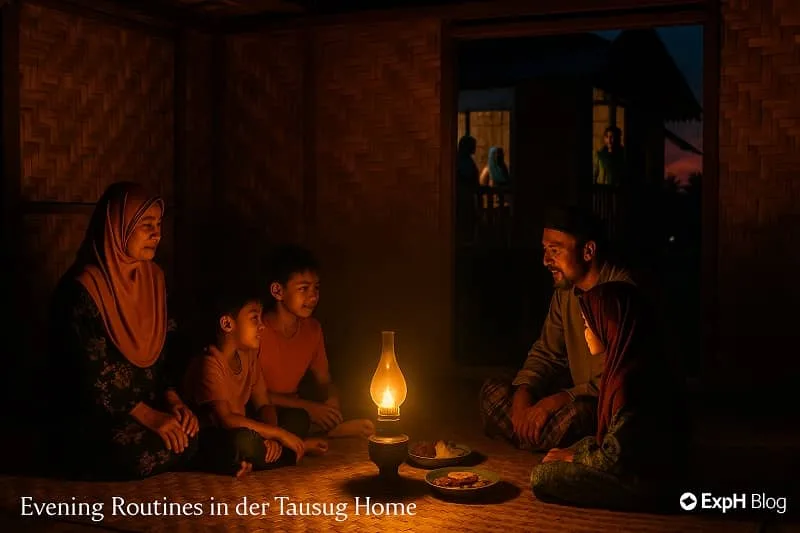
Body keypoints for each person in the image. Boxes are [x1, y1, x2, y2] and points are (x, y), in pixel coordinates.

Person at [48, 182, 199, 480]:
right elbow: (90, 375)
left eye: (158, 224)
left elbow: (166, 351)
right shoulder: (82, 289)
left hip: (151, 408)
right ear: (118, 226)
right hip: (99, 416)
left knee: (192, 429)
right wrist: (150, 416)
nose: (157, 234)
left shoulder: (154, 280)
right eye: (146, 225)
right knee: (133, 453)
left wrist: (173, 402)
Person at [479, 206, 634, 451]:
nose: (546, 260)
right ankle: (531, 433)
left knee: (577, 416)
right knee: (494, 391)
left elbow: (623, 379)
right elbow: (546, 353)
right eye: (545, 250)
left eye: (555, 250)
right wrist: (524, 399)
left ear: (588, 251)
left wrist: (556, 401)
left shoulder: (620, 295)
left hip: (604, 404)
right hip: (572, 395)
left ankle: (532, 436)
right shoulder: (566, 292)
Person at [531, 282, 687, 511]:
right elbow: (612, 438)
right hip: (635, 462)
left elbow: (612, 459)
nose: (585, 333)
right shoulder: (628, 364)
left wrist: (571, 459)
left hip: (646, 481)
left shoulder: (630, 380)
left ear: (609, 324)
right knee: (579, 444)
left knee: (542, 476)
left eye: (588, 324)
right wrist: (575, 451)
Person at [184, 279, 327, 477]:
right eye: (254, 319)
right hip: (216, 435)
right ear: (227, 323)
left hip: (245, 428)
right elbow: (226, 420)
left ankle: (264, 455)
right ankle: (294, 450)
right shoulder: (210, 362)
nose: (261, 326)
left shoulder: (248, 355)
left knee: (298, 417)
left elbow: (263, 403)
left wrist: (275, 438)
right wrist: (279, 434)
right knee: (242, 442)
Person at [257, 244, 375, 439]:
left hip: (295, 407)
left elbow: (324, 379)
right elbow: (258, 396)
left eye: (316, 288)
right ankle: (327, 432)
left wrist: (332, 400)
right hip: (263, 408)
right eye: (303, 289)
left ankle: (327, 426)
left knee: (356, 405)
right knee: (292, 420)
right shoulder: (258, 330)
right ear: (278, 291)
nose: (313, 296)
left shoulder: (312, 329)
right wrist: (311, 408)